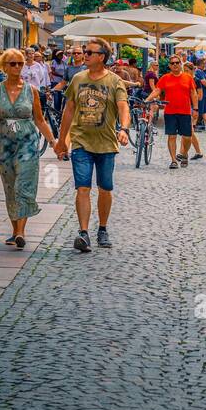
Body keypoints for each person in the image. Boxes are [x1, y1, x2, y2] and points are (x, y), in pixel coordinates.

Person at [55, 39, 130, 253]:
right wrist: (62, 141)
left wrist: (123, 129)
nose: (84, 55)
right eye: (84, 51)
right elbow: (68, 111)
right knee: (83, 187)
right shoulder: (78, 79)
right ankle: (84, 233)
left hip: (106, 143)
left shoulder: (115, 81)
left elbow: (123, 108)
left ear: (102, 57)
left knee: (105, 188)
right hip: (81, 141)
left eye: (89, 52)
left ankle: (103, 229)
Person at [0, 48, 58, 248]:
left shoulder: (32, 90)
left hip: (28, 144)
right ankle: (14, 229)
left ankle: (20, 232)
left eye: (20, 63)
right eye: (13, 63)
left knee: (23, 185)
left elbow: (40, 120)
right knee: (10, 187)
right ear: (4, 67)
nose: (17, 67)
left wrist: (53, 142)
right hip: (4, 145)